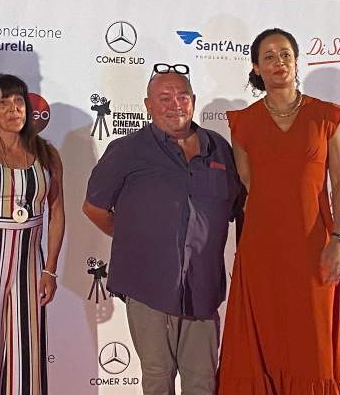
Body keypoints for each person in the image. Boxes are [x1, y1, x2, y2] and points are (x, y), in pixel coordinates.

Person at [83, 63, 244, 395]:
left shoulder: (219, 149)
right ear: (148, 105)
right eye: (165, 98)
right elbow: (94, 208)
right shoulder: (127, 150)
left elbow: (236, 210)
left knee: (203, 381)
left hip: (202, 288)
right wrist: (136, 239)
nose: (175, 105)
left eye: (182, 96)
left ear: (193, 100)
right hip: (148, 287)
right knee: (158, 378)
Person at [217, 28, 340, 394]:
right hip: (261, 249)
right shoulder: (243, 123)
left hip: (313, 246)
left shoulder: (327, 116)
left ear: (296, 60)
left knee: (312, 343)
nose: (279, 62)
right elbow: (249, 185)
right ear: (256, 68)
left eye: (285, 54)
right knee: (264, 337)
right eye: (269, 56)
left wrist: (338, 239)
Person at [0, 74, 65, 395]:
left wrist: (50, 269)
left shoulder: (46, 154)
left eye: (18, 101)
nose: (13, 109)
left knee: (27, 350)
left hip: (29, 267)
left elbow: (57, 212)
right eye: (2, 102)